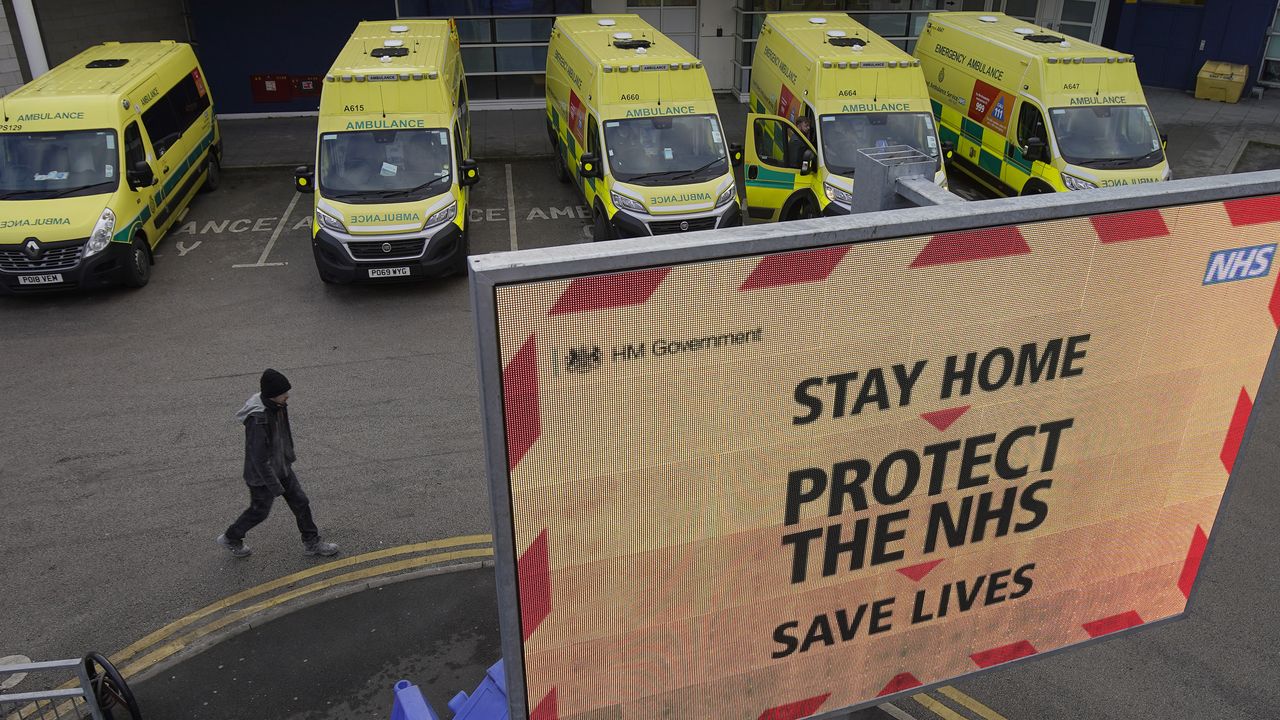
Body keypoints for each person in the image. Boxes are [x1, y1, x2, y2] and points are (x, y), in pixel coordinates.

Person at [217, 369, 339, 558]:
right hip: (262, 477)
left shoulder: (278, 406)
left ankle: (312, 543)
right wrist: (275, 486)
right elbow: (258, 459)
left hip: (281, 466)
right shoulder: (258, 420)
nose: (287, 396)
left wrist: (287, 457)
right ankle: (231, 537)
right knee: (259, 512)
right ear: (273, 395)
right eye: (284, 393)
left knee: (301, 502)